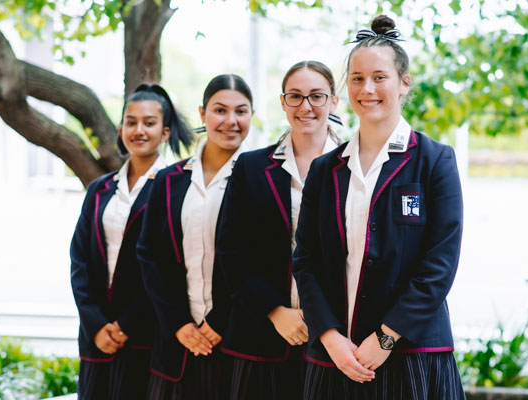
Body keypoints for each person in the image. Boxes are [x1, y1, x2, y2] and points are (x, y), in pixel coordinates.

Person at [292, 15, 465, 399]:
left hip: (411, 354)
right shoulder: (325, 169)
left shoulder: (434, 161)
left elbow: (439, 265)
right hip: (337, 356)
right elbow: (306, 260)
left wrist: (385, 338)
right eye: (356, 78)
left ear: (404, 84)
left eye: (379, 77)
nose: (367, 88)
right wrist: (329, 336)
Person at [216, 61, 341, 400]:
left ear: (335, 101)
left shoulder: (355, 167)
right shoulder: (252, 167)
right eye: (295, 96)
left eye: (317, 96)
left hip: (338, 337)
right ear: (283, 102)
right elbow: (231, 251)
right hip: (261, 335)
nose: (306, 106)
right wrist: (274, 310)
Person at [70, 83, 193, 400]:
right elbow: (80, 260)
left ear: (165, 132)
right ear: (122, 127)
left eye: (149, 123)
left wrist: (126, 324)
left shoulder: (176, 188)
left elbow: (164, 268)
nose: (139, 130)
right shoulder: (100, 188)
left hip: (147, 335)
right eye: (131, 121)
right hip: (96, 338)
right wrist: (96, 324)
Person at [137, 74, 254, 400]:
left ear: (251, 116)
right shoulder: (168, 180)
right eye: (220, 110)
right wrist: (179, 324)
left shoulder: (260, 179)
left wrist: (218, 321)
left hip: (238, 341)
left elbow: (262, 261)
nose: (230, 121)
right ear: (202, 113)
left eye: (241, 111)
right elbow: (149, 255)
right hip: (176, 344)